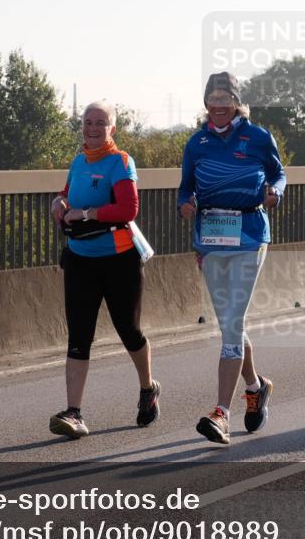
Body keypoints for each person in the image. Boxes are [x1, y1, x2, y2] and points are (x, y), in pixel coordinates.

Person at [178, 72, 286, 444]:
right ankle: (256, 386)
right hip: (210, 238)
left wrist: (275, 194)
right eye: (213, 98)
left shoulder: (257, 137)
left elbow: (279, 174)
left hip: (249, 234)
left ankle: (221, 413)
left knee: (233, 321)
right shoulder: (197, 142)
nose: (219, 105)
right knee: (230, 325)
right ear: (206, 103)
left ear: (237, 103)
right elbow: (184, 189)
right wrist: (186, 205)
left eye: (226, 98)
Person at [49, 101, 159, 438]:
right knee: (79, 335)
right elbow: (69, 194)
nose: (93, 128)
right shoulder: (78, 161)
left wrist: (85, 214)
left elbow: (128, 208)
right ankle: (74, 412)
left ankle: (147, 388)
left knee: (129, 330)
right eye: (87, 122)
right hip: (80, 258)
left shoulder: (120, 162)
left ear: (113, 128)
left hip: (119, 259)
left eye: (101, 122)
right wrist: (60, 202)